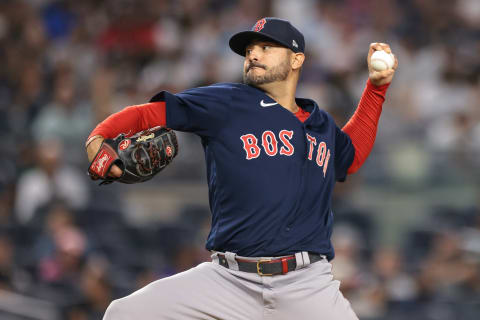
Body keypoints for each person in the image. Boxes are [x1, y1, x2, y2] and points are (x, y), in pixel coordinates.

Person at [86, 17, 397, 320]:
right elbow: (149, 114)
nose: (254, 54)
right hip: (228, 279)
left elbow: (351, 156)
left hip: (305, 285)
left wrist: (376, 89)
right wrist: (98, 137)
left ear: (296, 59)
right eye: (249, 50)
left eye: (266, 47)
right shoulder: (227, 102)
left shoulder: (321, 124)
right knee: (124, 313)